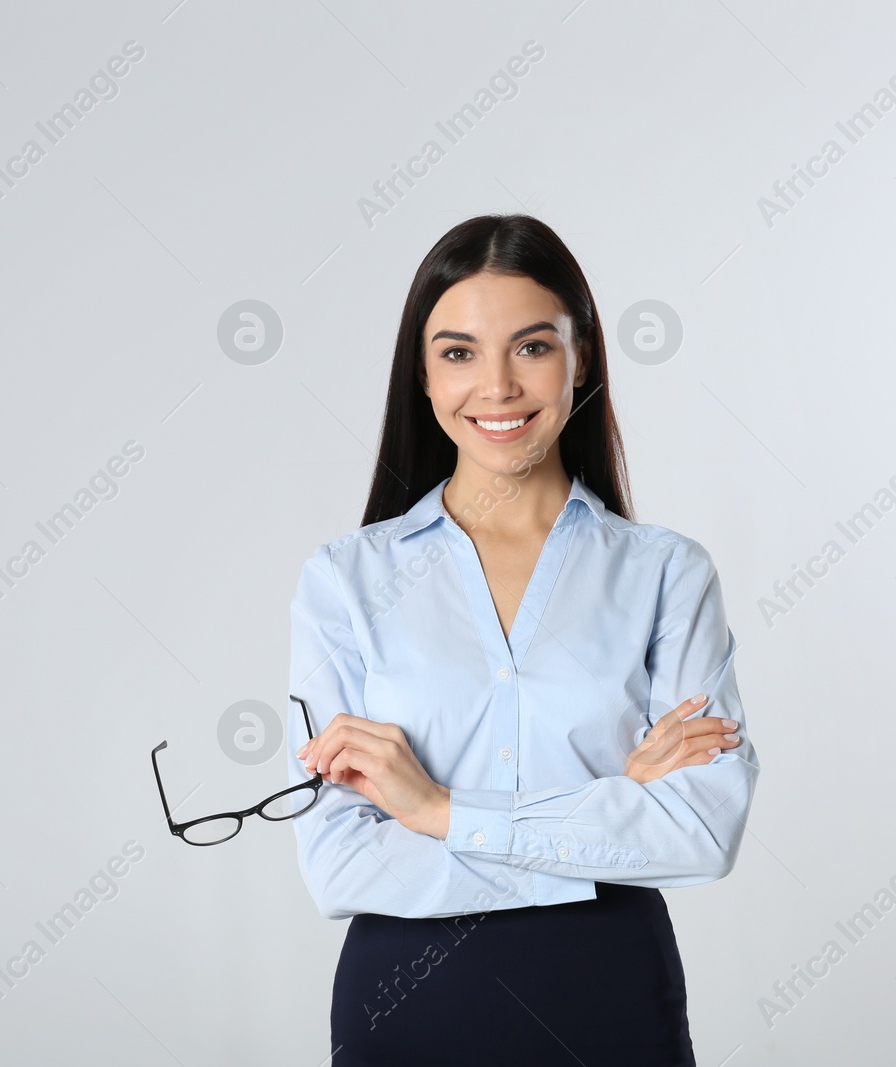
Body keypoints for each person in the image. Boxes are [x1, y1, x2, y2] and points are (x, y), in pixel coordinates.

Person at [285, 214, 760, 1066]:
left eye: (532, 347)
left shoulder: (665, 574)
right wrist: (611, 807)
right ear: (423, 376)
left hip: (610, 998)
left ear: (581, 361)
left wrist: (436, 811)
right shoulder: (345, 581)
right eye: (460, 352)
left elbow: (698, 832)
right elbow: (342, 865)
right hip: (407, 1003)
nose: (497, 386)